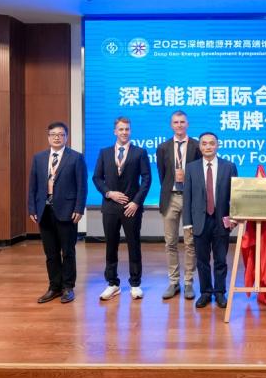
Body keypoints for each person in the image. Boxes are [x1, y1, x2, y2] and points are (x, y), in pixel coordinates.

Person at [92, 116, 152, 301]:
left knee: (134, 244)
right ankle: (112, 283)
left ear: (130, 131)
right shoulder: (104, 152)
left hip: (131, 208)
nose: (124, 132)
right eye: (121, 129)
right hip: (110, 207)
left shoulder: (140, 152)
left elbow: (147, 179)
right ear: (115, 131)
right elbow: (97, 178)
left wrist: (136, 202)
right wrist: (109, 193)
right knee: (111, 245)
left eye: (127, 129)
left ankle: (135, 283)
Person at [27, 121, 87, 304]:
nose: (57, 137)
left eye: (61, 134)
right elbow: (33, 186)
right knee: (51, 253)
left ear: (66, 137)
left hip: (67, 211)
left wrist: (79, 208)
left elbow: (82, 186)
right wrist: (32, 208)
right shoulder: (39, 158)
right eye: (53, 134)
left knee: (67, 251)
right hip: (44, 211)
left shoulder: (76, 158)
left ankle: (68, 287)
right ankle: (54, 287)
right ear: (48, 137)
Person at [182, 132, 238, 309]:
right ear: (200, 147)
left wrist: (234, 217)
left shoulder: (229, 166)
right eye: (204, 143)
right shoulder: (191, 168)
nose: (208, 146)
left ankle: (220, 292)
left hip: (221, 220)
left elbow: (235, 195)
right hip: (200, 221)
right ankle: (205, 292)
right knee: (202, 260)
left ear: (217, 146)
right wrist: (187, 223)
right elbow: (187, 197)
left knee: (221, 259)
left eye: (211, 143)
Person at [155, 110, 201, 301]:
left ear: (187, 124)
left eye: (182, 122)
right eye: (176, 122)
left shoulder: (197, 146)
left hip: (191, 199)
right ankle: (174, 282)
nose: (179, 125)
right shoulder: (163, 147)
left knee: (190, 243)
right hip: (171, 198)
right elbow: (162, 174)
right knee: (170, 242)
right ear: (171, 125)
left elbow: (199, 173)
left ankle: (189, 282)